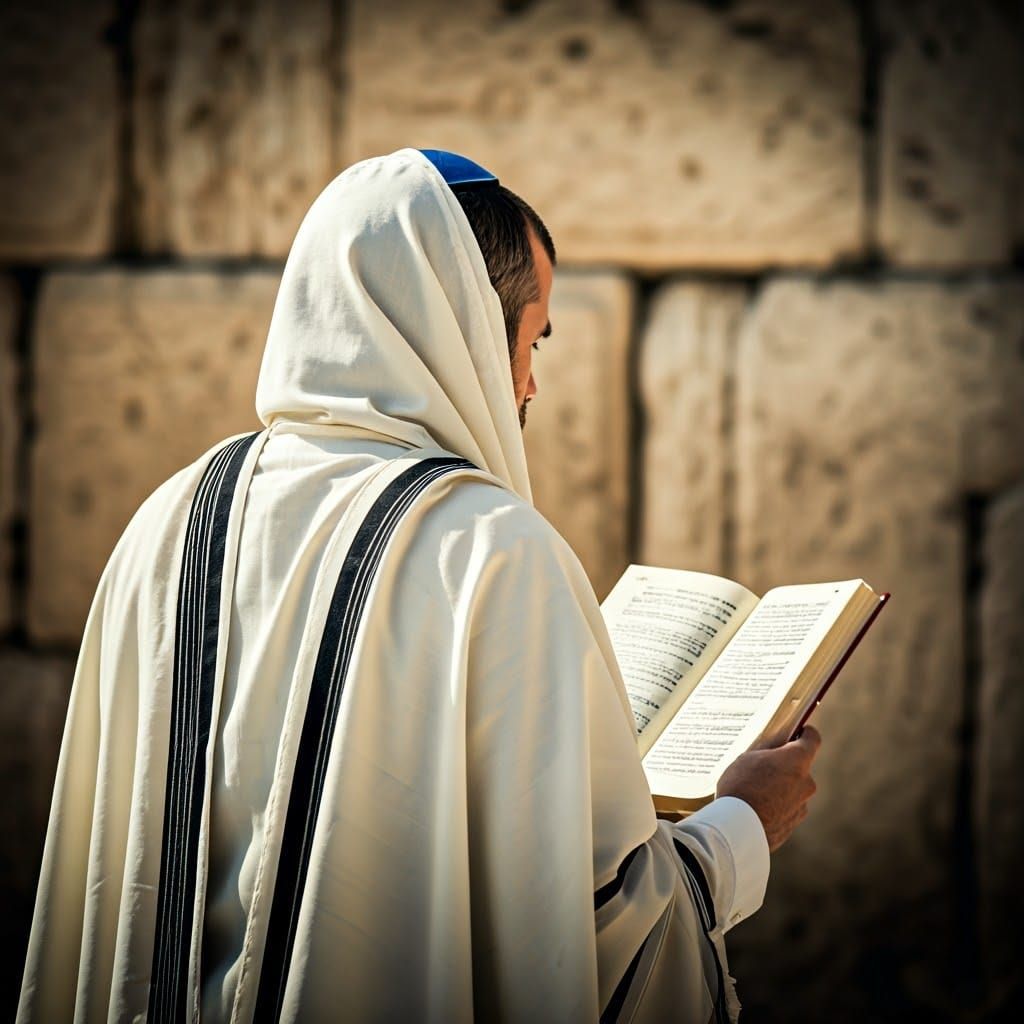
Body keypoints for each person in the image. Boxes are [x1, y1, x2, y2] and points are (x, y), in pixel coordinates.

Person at [17, 148, 820, 1023]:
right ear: (470, 327)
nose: (530, 383)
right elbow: (592, 938)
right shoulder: (493, 551)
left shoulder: (164, 523)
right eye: (532, 336)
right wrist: (743, 824)